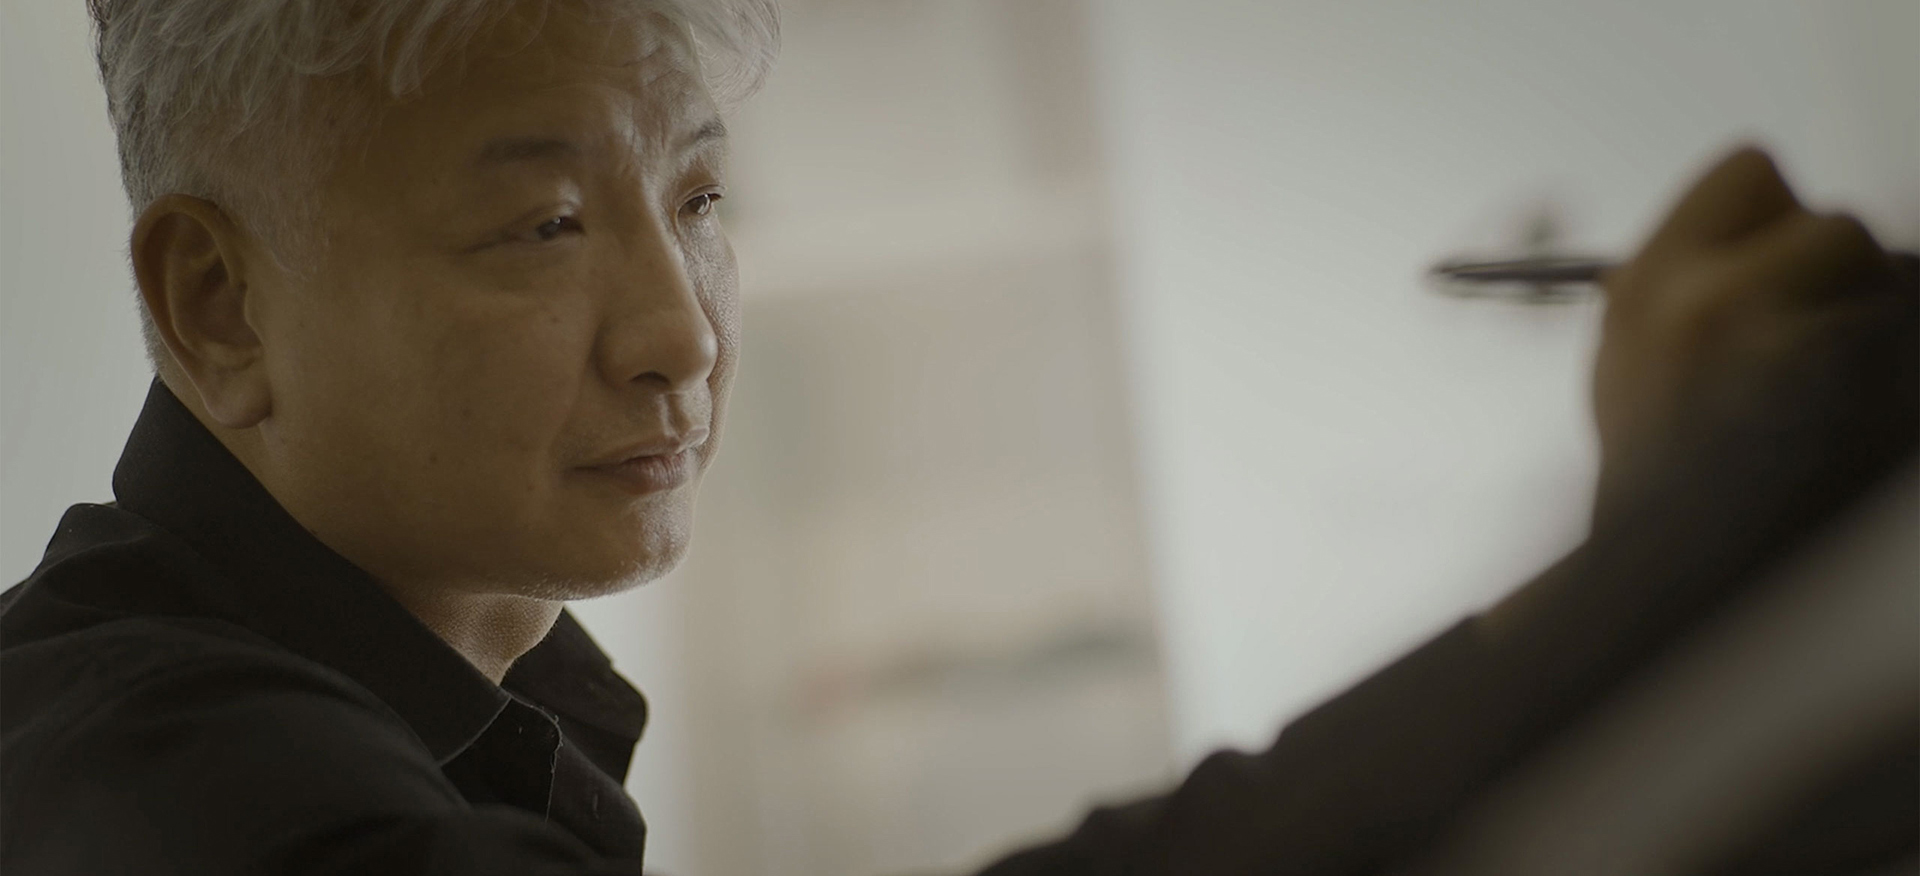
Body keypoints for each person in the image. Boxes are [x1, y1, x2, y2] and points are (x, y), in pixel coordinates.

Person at [1, 1, 1912, 873]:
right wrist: (1648, 566)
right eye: (548, 224)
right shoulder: (129, 777)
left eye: (700, 196)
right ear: (218, 305)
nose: (683, 333)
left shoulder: (447, 715)